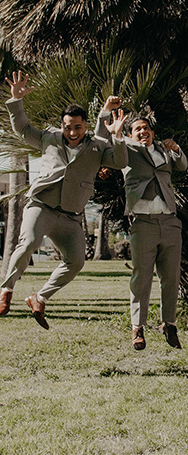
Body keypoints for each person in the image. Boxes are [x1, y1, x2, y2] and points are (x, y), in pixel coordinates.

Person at [0, 72, 127, 329]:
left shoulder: (97, 146)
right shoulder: (49, 138)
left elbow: (120, 162)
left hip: (71, 215)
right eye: (68, 127)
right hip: (41, 205)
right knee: (28, 243)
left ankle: (39, 297)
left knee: (76, 261)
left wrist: (118, 136)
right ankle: (6, 291)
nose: (72, 132)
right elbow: (23, 128)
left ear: (85, 126)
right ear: (62, 125)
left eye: (77, 127)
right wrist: (16, 101)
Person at [96, 99, 188, 350]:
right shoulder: (125, 148)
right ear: (130, 133)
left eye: (146, 128)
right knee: (142, 276)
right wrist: (113, 129)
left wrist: (176, 148)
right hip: (143, 224)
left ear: (153, 132)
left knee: (171, 277)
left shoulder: (162, 149)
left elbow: (182, 165)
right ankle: (138, 326)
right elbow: (102, 143)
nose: (143, 132)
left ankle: (169, 323)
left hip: (170, 221)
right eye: (137, 129)